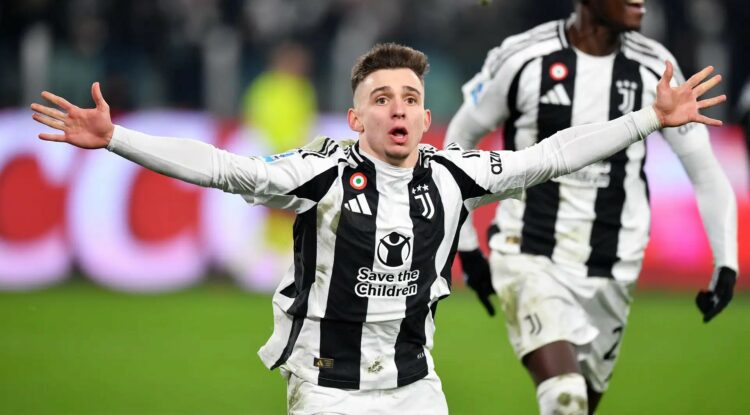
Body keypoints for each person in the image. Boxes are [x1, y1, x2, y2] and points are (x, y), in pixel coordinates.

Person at [31, 42, 724, 414]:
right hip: (329, 392)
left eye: (411, 98)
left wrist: (649, 119)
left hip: (418, 389)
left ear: (426, 118)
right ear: (355, 118)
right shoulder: (322, 173)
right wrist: (116, 137)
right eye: (381, 98)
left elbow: (552, 155)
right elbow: (222, 168)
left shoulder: (453, 174)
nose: (398, 108)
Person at [446, 1, 738, 414]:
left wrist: (727, 262)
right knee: (565, 398)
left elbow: (705, 172)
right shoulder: (523, 57)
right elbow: (459, 141)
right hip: (529, 252)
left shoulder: (657, 68)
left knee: (579, 405)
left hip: (613, 265)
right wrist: (466, 244)